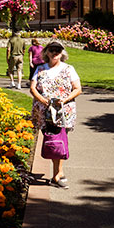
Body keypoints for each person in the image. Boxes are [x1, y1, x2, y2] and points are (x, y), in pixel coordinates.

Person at [30, 41, 82, 189]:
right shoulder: (40, 69)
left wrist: (63, 100)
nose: (54, 53)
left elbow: (77, 88)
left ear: (62, 53)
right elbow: (33, 88)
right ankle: (58, 173)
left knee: (59, 140)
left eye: (58, 50)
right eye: (52, 50)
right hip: (44, 111)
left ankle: (58, 174)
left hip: (63, 112)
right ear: (46, 52)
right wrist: (44, 101)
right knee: (54, 140)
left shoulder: (68, 69)